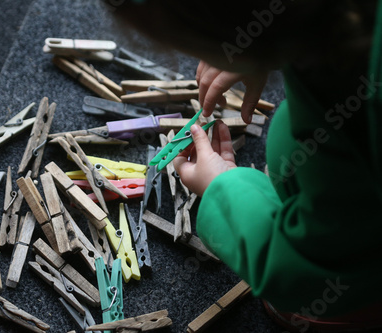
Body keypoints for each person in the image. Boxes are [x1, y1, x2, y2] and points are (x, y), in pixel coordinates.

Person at [108, 0, 382, 331]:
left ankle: (354, 310)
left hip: (350, 260)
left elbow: (300, 268)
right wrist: (271, 51)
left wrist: (223, 190)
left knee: (322, 289)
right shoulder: (341, 25)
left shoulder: (349, 125)